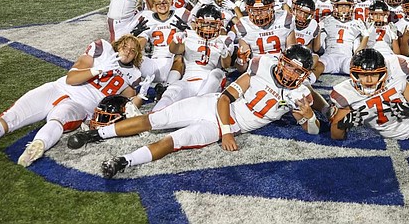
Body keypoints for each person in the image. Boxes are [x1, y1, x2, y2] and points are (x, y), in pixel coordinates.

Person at [66, 45, 320, 178]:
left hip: (221, 126)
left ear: (305, 75)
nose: (290, 73)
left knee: (175, 140)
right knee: (156, 119)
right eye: (288, 67)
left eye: (298, 72)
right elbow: (224, 99)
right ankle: (97, 135)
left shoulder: (300, 94)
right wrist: (228, 133)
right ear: (280, 62)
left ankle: (124, 161)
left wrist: (309, 116)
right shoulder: (263, 66)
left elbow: (312, 130)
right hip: (213, 108)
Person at [0, 35, 144, 167]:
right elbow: (71, 79)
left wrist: (141, 96)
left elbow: (127, 106)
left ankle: (36, 148)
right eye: (125, 46)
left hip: (80, 106)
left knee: (58, 118)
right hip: (57, 88)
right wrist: (99, 69)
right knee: (9, 117)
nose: (127, 50)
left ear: (136, 56)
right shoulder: (102, 51)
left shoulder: (133, 76)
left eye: (133, 50)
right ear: (118, 45)